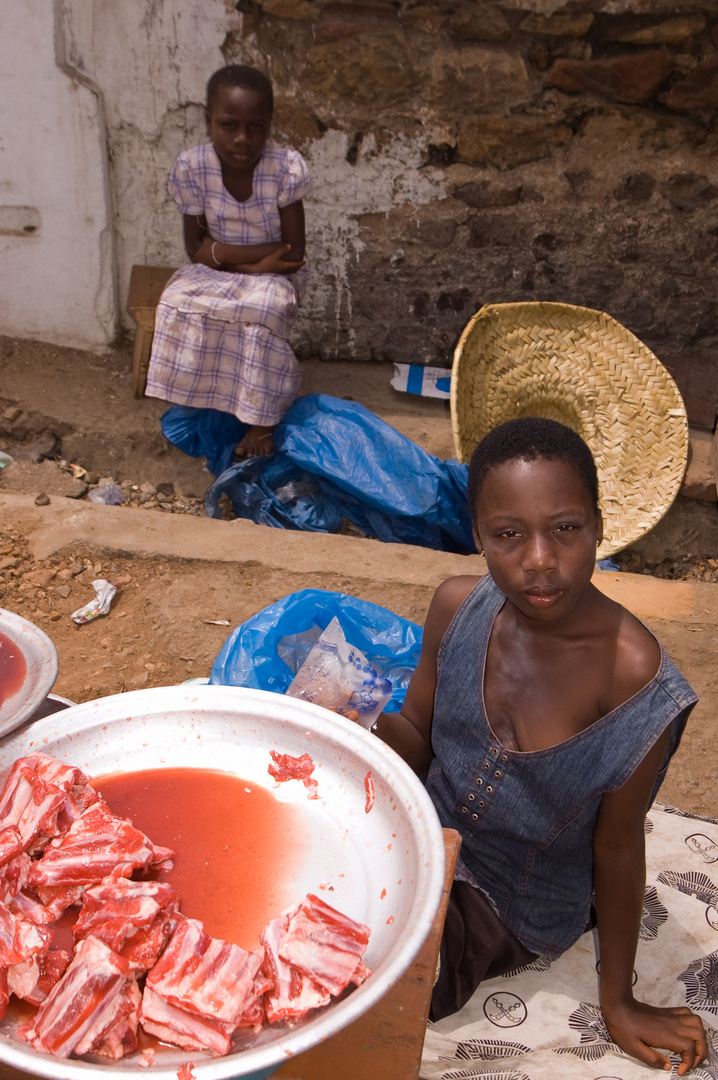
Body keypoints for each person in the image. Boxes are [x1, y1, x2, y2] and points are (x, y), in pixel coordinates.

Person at [372, 417, 708, 1075]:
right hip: (422, 834)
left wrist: (620, 999)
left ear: (599, 526)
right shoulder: (457, 608)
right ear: (478, 538)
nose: (539, 560)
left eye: (565, 528)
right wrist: (351, 726)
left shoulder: (635, 682)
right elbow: (414, 733)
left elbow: (617, 846)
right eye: (508, 535)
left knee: (370, 975)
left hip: (508, 904)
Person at [145, 64, 310, 460]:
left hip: (275, 274)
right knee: (178, 299)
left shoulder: (283, 169)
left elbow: (293, 251)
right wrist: (251, 262)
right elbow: (194, 249)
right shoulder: (193, 167)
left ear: (269, 126)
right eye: (229, 124)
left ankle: (262, 421)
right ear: (209, 122)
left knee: (262, 307)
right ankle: (212, 397)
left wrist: (226, 256)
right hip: (226, 270)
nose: (241, 138)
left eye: (255, 127)